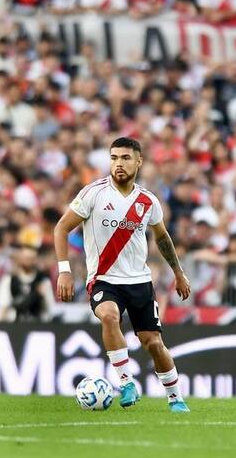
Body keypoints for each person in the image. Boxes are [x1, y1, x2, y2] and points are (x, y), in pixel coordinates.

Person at [54, 137, 192, 413]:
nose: (119, 164)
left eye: (125, 158)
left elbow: (162, 238)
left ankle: (175, 398)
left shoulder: (147, 201)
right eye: (114, 157)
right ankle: (126, 382)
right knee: (108, 315)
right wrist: (64, 271)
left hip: (139, 282)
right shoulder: (93, 193)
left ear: (139, 161)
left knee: (153, 343)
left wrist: (178, 272)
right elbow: (60, 228)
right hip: (104, 279)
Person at [0, 245, 55, 322]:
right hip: (15, 323)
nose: (29, 261)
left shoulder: (43, 281)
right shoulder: (9, 280)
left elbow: (49, 306)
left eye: (32, 258)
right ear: (20, 259)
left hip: (38, 323)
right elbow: (4, 306)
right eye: (26, 258)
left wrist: (42, 296)